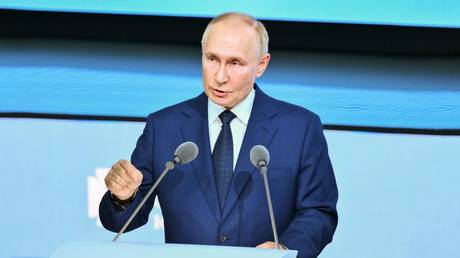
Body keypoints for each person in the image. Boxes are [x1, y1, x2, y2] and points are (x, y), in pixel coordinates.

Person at [99, 12, 338, 258]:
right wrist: (123, 198)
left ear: (262, 65)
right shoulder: (164, 126)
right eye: (212, 59)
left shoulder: (300, 127)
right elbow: (122, 219)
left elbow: (319, 211)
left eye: (235, 63)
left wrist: (285, 249)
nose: (220, 76)